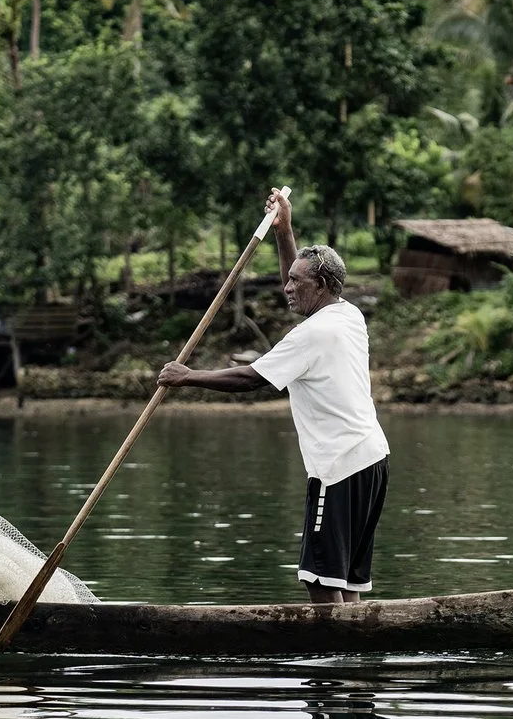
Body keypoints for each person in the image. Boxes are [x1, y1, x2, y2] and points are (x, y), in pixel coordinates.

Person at [158, 189, 390, 603]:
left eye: (295, 282)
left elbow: (251, 379)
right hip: (372, 459)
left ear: (319, 285)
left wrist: (188, 376)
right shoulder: (346, 314)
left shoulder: (313, 334)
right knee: (346, 583)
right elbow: (299, 286)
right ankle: (353, 656)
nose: (286, 288)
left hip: (337, 466)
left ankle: (331, 663)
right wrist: (284, 231)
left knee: (320, 580)